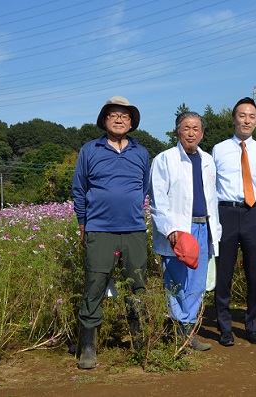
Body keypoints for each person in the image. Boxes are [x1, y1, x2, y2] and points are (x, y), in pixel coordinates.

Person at [71, 96, 150, 369]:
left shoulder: (141, 152)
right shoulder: (89, 150)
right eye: (114, 115)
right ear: (104, 120)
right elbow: (79, 190)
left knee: (136, 285)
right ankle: (89, 346)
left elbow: (144, 188)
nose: (119, 119)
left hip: (134, 230)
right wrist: (83, 224)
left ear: (131, 122)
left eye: (125, 116)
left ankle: (140, 340)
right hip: (99, 230)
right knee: (94, 286)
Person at [149, 111, 222, 351]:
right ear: (177, 131)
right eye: (186, 128)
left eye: (196, 129)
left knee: (197, 283)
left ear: (202, 133)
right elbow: (158, 199)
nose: (191, 133)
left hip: (203, 226)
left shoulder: (208, 160)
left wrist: (215, 230)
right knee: (176, 281)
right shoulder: (165, 159)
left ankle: (189, 331)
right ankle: (179, 332)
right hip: (180, 229)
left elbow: (212, 198)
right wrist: (170, 229)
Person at [212, 97, 256, 346]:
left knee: (255, 273)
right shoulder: (219, 149)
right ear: (233, 118)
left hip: (253, 214)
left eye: (251, 116)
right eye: (242, 115)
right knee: (223, 273)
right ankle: (225, 327)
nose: (246, 120)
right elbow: (211, 185)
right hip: (225, 212)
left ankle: (253, 325)